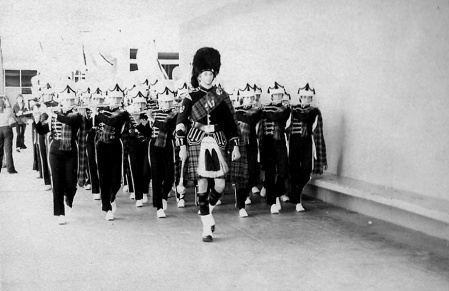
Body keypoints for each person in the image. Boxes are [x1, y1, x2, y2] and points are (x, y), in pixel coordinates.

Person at [176, 47, 241, 242]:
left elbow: (231, 123)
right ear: (198, 75)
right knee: (202, 183)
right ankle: (206, 226)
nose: (208, 77)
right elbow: (181, 122)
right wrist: (182, 145)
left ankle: (208, 211)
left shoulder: (222, 95)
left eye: (210, 73)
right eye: (204, 73)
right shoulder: (190, 96)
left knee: (220, 184)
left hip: (218, 139)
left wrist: (235, 145)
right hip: (197, 139)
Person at [34, 85, 83, 225]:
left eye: (70, 100)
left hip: (71, 152)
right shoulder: (54, 115)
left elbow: (69, 121)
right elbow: (42, 131)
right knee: (57, 181)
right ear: (61, 100)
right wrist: (37, 120)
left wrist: (53, 114)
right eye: (66, 100)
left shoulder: (77, 115)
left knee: (70, 182)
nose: (68, 103)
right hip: (55, 151)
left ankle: (69, 199)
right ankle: (60, 213)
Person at [91, 84, 129, 221]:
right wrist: (90, 114)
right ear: (108, 97)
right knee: (104, 177)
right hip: (101, 146)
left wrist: (97, 113)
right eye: (112, 98)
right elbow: (92, 127)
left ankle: (112, 197)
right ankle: (107, 207)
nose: (115, 101)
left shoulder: (123, 113)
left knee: (116, 179)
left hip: (115, 145)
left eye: (118, 98)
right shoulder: (102, 111)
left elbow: (111, 122)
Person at [288, 83, 327, 211]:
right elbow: (286, 128)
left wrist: (322, 157)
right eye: (304, 97)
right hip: (293, 142)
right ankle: (297, 200)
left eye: (308, 98)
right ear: (300, 98)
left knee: (306, 172)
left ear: (311, 99)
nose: (306, 100)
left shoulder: (315, 112)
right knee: (294, 171)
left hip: (307, 143)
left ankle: (295, 195)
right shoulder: (292, 110)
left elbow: (318, 133)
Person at [228, 83, 262, 217]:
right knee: (240, 177)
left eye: (251, 98)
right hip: (238, 146)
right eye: (247, 98)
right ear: (241, 99)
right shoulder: (235, 113)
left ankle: (245, 196)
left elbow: (252, 118)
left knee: (253, 174)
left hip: (251, 145)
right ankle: (241, 205)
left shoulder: (255, 112)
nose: (250, 101)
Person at [258, 82, 291, 214]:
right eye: (275, 94)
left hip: (280, 142)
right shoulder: (264, 108)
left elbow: (280, 116)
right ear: (271, 96)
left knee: (283, 171)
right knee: (270, 173)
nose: (277, 96)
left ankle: (276, 193)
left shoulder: (285, 108)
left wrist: (264, 111)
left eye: (279, 94)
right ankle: (272, 202)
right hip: (267, 143)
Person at [148, 84, 178, 218]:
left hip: (168, 146)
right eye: (164, 101)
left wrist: (152, 119)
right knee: (156, 176)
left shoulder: (175, 114)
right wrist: (140, 122)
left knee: (169, 175)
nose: (166, 103)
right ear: (159, 101)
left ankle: (164, 194)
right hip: (154, 146)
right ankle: (159, 206)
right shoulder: (153, 112)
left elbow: (167, 127)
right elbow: (147, 132)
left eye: (169, 101)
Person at [0, 96, 18, 174]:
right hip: (7, 129)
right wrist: (6, 100)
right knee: (8, 150)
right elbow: (13, 115)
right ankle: (10, 169)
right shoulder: (8, 110)